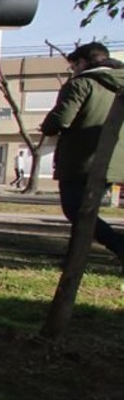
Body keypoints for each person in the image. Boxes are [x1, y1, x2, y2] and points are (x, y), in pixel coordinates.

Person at [39, 41, 124, 269]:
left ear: (83, 62)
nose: (73, 70)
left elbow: (60, 120)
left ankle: (119, 245)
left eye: (74, 65)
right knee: (85, 213)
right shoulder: (120, 84)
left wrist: (47, 126)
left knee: (77, 211)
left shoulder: (82, 84)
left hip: (80, 160)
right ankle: (74, 260)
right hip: (113, 160)